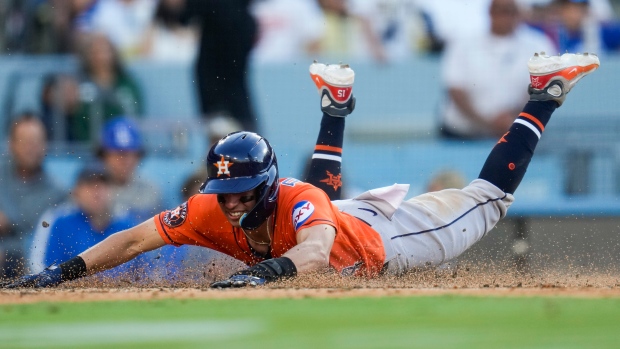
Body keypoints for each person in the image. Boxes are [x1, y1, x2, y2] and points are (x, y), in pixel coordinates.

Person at [0, 51, 600, 289]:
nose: (230, 201)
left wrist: (260, 275)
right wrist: (64, 271)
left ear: (263, 184)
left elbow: (314, 254)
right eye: (224, 189)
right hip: (335, 216)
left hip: (383, 242)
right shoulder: (210, 207)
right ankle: (335, 105)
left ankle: (544, 93)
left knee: (489, 200)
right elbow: (134, 239)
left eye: (240, 190)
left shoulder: (291, 198)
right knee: (323, 199)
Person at [439, 0, 556, 139]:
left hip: (517, 132)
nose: (503, 16)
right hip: (465, 134)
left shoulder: (538, 44)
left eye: (508, 10)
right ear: (490, 11)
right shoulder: (463, 44)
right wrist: (487, 124)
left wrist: (513, 117)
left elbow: (545, 88)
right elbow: (455, 90)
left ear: (518, 12)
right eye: (498, 10)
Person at [27, 162, 146, 279]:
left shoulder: (127, 222)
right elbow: (39, 268)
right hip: (69, 295)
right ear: (76, 192)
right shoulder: (57, 220)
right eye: (90, 185)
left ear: (113, 191)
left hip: (121, 295)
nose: (97, 192)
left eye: (103, 185)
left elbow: (145, 270)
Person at [181, 0, 259, 145]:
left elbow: (185, 14)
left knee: (231, 103)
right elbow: (183, 15)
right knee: (227, 110)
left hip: (225, 36)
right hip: (221, 33)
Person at [0, 113, 68, 278]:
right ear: (11, 144)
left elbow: (43, 241)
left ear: (45, 145)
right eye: (25, 141)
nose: (31, 147)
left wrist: (9, 223)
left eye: (37, 141)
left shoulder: (57, 192)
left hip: (27, 267)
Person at [72, 32, 144, 142]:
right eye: (95, 52)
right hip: (84, 145)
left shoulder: (126, 83)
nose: (101, 57)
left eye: (105, 51)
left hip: (119, 145)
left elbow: (135, 114)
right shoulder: (78, 83)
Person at [96, 116, 162, 222]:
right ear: (104, 156)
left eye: (128, 154)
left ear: (138, 156)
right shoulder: (92, 189)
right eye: (118, 154)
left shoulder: (151, 190)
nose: (123, 161)